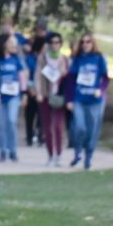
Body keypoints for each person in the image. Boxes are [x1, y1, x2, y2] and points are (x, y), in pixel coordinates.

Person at [67, 32, 109, 168]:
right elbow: (71, 80)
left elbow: (106, 78)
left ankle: (88, 158)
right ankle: (77, 152)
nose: (85, 44)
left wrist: (100, 90)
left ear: (93, 43)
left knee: (92, 130)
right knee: (79, 127)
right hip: (79, 98)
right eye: (83, 42)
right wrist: (69, 100)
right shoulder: (77, 59)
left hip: (94, 100)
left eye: (88, 42)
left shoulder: (99, 58)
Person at [35, 32, 71, 166]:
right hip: (46, 95)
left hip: (59, 97)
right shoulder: (42, 58)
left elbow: (69, 78)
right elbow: (38, 76)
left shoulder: (65, 59)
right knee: (47, 126)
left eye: (57, 42)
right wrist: (38, 92)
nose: (55, 45)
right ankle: (50, 155)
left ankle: (59, 155)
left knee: (58, 126)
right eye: (52, 42)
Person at [0, 33, 27, 161]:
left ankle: (13, 150)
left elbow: (21, 75)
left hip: (13, 95)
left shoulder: (16, 59)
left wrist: (24, 93)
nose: (14, 45)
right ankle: (2, 151)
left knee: (11, 121)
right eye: (11, 42)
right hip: (0, 95)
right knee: (1, 124)